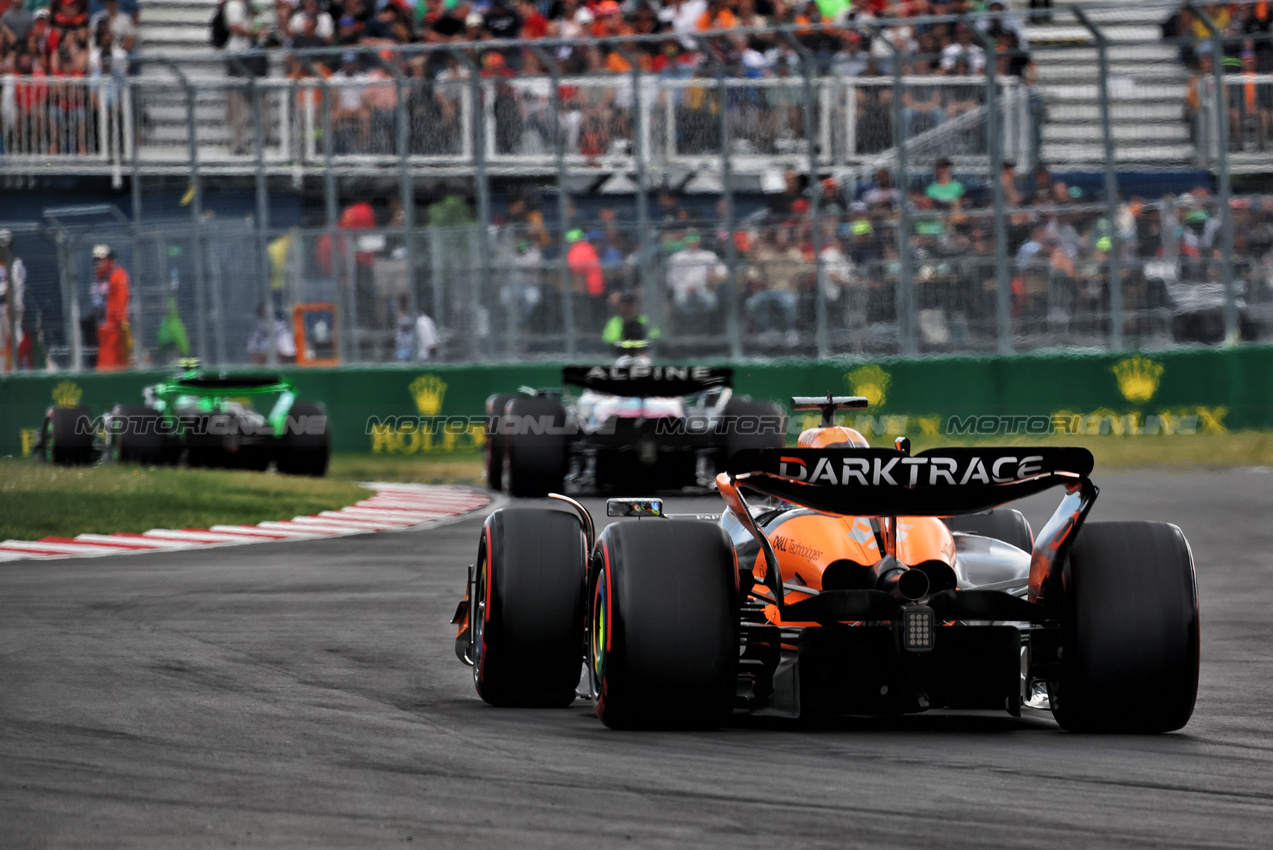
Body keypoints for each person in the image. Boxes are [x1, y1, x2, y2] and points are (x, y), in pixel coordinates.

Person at [90, 243, 130, 371]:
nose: (99, 262)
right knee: (105, 363)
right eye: (96, 259)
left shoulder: (118, 275)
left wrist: (119, 321)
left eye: (101, 258)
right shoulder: (99, 276)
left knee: (113, 364)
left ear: (109, 258)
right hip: (103, 328)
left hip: (115, 327)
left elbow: (121, 299)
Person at [0, 229, 26, 371]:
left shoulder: (16, 264)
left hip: (13, 313)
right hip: (1, 312)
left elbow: (14, 286)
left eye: (5, 246)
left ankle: (15, 373)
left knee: (16, 345)